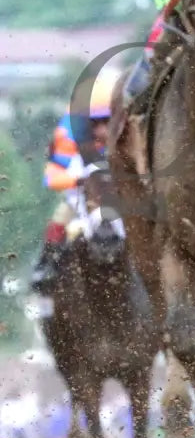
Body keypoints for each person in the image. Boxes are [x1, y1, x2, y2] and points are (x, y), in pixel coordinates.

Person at [29, 68, 120, 295]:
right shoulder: (66, 136)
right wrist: (79, 180)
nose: (103, 130)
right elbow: (51, 177)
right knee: (59, 220)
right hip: (80, 195)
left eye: (108, 121)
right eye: (95, 123)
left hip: (122, 194)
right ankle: (45, 267)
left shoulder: (126, 131)